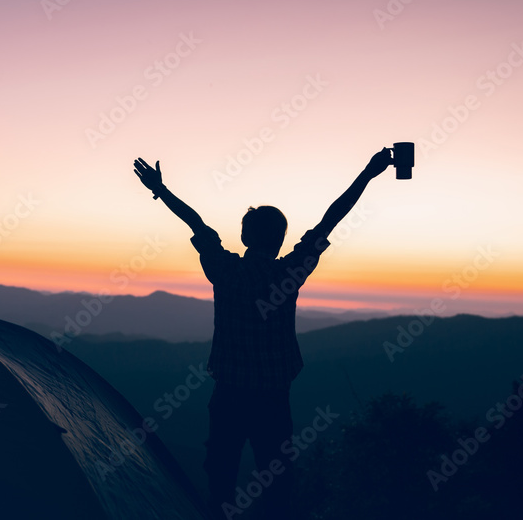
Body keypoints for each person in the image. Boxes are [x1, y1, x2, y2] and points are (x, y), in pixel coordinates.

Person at [132, 148, 393, 519]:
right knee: (276, 480)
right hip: (273, 399)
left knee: (221, 476)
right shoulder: (290, 272)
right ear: (280, 240)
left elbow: (196, 223)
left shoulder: (225, 270)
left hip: (229, 395)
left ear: (246, 236)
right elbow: (330, 219)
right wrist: (368, 173)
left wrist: (160, 190)